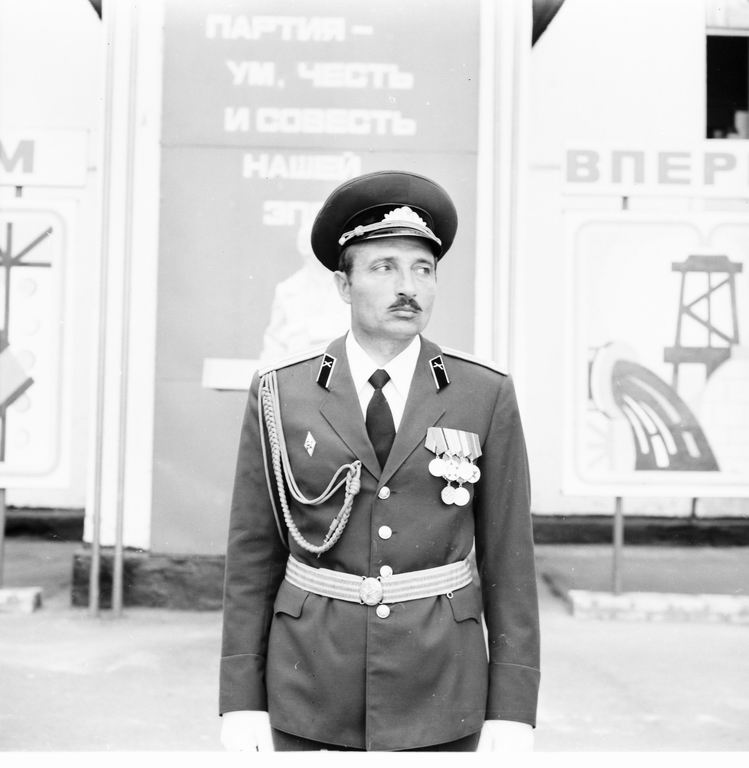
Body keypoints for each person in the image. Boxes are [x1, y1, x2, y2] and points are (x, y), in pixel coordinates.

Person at [219, 170, 540, 752]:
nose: (407, 287)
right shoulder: (281, 392)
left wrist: (512, 711)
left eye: (423, 269)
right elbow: (253, 557)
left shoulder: (483, 393)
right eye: (384, 267)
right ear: (343, 285)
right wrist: (241, 700)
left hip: (441, 687)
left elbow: (509, 560)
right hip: (311, 683)